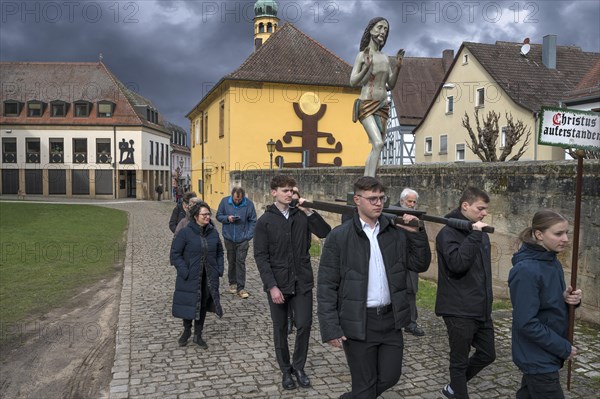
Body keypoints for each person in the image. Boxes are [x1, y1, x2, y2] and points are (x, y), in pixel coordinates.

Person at [318, 176, 431, 399]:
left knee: (391, 376)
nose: (378, 203)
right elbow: (326, 285)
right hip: (359, 322)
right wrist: (331, 327)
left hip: (390, 320)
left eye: (381, 198)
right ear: (357, 200)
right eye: (372, 199)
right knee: (365, 384)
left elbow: (420, 264)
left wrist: (417, 233)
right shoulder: (339, 237)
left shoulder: (395, 232)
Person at [254, 175, 331, 391]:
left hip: (302, 281)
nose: (289, 194)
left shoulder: (302, 216)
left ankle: (299, 367)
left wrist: (309, 211)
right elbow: (261, 256)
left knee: (304, 324)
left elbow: (326, 233)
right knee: (280, 329)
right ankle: (285, 370)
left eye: (292, 190)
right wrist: (272, 287)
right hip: (278, 283)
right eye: (285, 190)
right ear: (274, 192)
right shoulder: (264, 222)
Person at [509, 210, 582, 399]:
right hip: (536, 356)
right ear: (539, 235)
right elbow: (526, 322)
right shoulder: (526, 270)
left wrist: (568, 299)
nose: (565, 239)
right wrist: (563, 347)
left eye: (567, 232)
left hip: (545, 352)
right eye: (558, 234)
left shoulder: (551, 260)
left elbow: (547, 305)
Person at [435, 187, 496, 399]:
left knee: (488, 354)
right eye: (481, 208)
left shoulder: (479, 233)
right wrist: (475, 235)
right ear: (465, 206)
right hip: (458, 308)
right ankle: (458, 391)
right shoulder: (448, 233)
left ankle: (453, 387)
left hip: (480, 307)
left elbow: (483, 272)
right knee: (459, 362)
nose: (484, 213)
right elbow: (457, 264)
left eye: (486, 209)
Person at [350, 17, 404, 177]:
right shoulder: (362, 55)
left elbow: (391, 85)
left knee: (376, 147)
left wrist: (398, 67)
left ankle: (366, 180)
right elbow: (353, 81)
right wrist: (366, 66)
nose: (383, 32)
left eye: (385, 30)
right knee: (378, 143)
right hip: (366, 104)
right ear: (371, 30)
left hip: (382, 105)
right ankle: (370, 183)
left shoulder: (385, 57)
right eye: (380, 27)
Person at [170, 201, 224, 349]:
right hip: (190, 276)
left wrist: (219, 268)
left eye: (209, 214)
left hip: (208, 276)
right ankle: (187, 331)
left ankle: (198, 335)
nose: (208, 217)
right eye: (204, 214)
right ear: (195, 216)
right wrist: (184, 270)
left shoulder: (213, 232)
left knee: (202, 305)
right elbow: (175, 254)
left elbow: (219, 251)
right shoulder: (185, 233)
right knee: (189, 303)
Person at [216, 187, 257, 299]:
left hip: (243, 239)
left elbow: (253, 220)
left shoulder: (249, 204)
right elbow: (218, 216)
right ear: (232, 196)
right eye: (235, 199)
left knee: (241, 262)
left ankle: (241, 287)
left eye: (239, 199)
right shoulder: (225, 202)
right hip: (228, 238)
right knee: (231, 261)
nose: (237, 201)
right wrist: (227, 218)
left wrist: (248, 236)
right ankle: (232, 283)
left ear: (242, 197)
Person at [397, 188, 424, 337]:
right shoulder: (392, 212)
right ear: (402, 201)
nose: (412, 204)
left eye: (414, 202)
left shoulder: (417, 216)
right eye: (409, 201)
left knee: (411, 290)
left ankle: (411, 323)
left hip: (411, 259)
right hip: (394, 258)